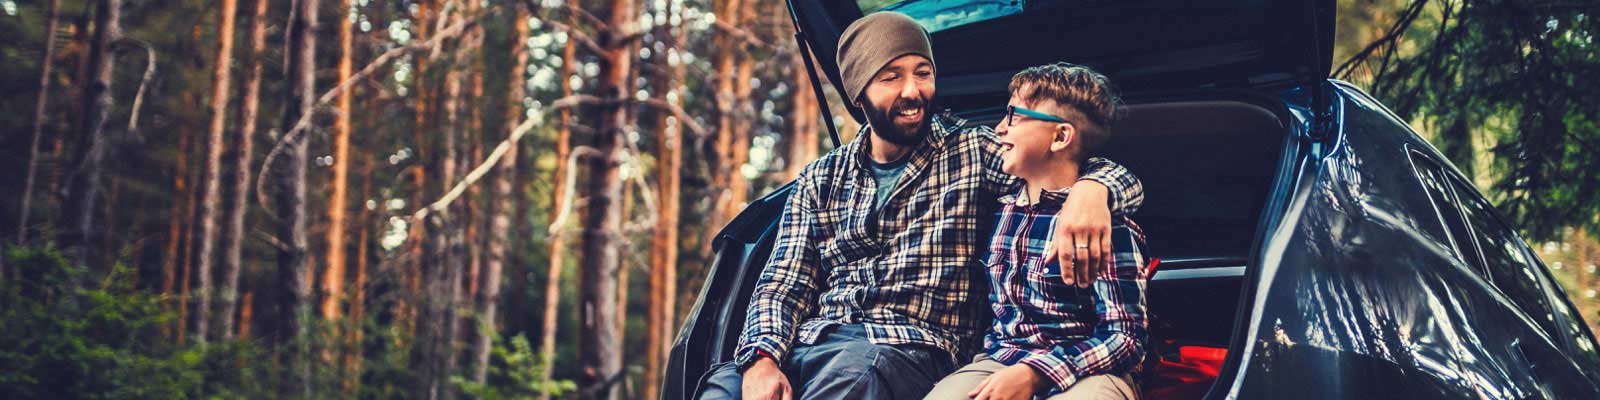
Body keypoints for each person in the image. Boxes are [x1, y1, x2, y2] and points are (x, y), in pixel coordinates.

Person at [696, 13, 1143, 400]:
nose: (913, 90)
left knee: (853, 378)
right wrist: (761, 358)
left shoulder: (972, 150)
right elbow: (783, 285)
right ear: (858, 92)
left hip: (911, 347)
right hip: (817, 343)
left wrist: (1093, 190)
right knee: (723, 388)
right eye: (891, 77)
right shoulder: (821, 179)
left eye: (923, 72)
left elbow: (1059, 162)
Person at [923, 63, 1149, 400]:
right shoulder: (999, 211)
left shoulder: (1106, 225)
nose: (999, 128)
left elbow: (1126, 338)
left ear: (1060, 137)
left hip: (1090, 369)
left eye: (1014, 116)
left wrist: (1037, 375)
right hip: (1000, 360)